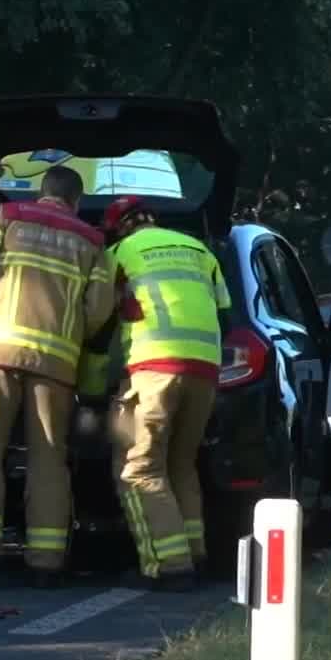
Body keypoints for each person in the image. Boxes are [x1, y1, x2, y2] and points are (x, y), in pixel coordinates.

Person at [0, 165, 115, 589]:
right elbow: (98, 313)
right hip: (56, 365)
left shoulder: (8, 216)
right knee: (49, 459)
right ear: (76, 200)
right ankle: (46, 561)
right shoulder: (93, 243)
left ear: (43, 192)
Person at [102, 196, 231, 590]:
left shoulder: (120, 252)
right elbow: (223, 307)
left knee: (139, 468)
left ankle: (168, 565)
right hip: (205, 370)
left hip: (151, 368)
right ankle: (195, 554)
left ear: (120, 227)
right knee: (181, 465)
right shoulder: (200, 250)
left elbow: (97, 312)